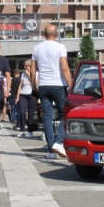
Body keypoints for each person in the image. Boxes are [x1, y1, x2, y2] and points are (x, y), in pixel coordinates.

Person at [31, 24, 72, 158]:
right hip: (58, 85)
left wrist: (34, 86)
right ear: (56, 35)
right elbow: (64, 68)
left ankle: (50, 150)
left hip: (43, 85)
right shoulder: (60, 47)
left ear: (44, 34)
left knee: (47, 117)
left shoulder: (37, 48)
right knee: (65, 114)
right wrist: (70, 85)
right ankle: (59, 142)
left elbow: (32, 70)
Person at [16, 61, 37, 135]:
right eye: (24, 66)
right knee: (22, 112)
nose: (25, 68)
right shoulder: (23, 74)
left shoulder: (36, 74)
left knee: (31, 114)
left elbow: (35, 84)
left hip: (31, 95)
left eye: (26, 66)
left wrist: (30, 76)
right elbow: (20, 86)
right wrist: (17, 97)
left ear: (31, 66)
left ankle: (30, 131)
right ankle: (22, 130)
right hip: (23, 94)